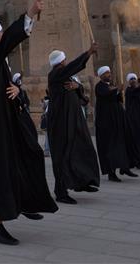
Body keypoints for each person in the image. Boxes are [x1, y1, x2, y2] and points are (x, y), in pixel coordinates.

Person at [0, 0, 57, 246]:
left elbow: (4, 83)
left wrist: (14, 88)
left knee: (28, 153)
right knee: (1, 168)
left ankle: (24, 201)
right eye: (1, 32)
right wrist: (30, 13)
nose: (3, 35)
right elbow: (11, 39)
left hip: (8, 117)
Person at [46, 45, 101, 204]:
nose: (66, 61)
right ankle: (61, 192)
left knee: (81, 149)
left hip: (74, 121)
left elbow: (80, 94)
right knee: (62, 156)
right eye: (64, 59)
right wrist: (88, 53)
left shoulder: (67, 76)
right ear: (60, 61)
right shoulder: (56, 74)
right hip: (61, 123)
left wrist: (78, 87)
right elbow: (71, 67)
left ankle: (83, 181)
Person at [94, 65, 140, 182]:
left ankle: (125, 167)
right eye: (106, 73)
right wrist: (117, 90)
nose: (109, 75)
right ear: (101, 75)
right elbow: (105, 95)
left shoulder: (111, 86)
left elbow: (118, 99)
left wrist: (118, 92)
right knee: (111, 147)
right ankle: (111, 173)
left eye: (109, 73)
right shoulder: (99, 87)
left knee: (123, 143)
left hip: (118, 120)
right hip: (107, 123)